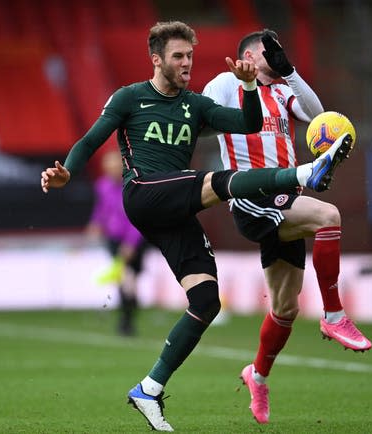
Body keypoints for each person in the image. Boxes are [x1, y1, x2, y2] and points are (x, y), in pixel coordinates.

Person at [40, 21, 352, 432]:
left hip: (175, 208)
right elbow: (89, 141)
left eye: (189, 55)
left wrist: (248, 89)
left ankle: (149, 389)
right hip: (144, 192)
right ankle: (305, 173)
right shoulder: (130, 97)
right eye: (177, 57)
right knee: (219, 179)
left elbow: (249, 124)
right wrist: (68, 171)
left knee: (206, 301)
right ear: (156, 60)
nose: (187, 63)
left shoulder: (195, 105)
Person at [202, 30, 372, 425]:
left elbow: (319, 117)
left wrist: (289, 71)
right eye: (268, 51)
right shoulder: (227, 84)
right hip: (252, 194)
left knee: (285, 308)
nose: (275, 56)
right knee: (328, 216)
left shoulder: (281, 91)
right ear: (247, 54)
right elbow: (203, 117)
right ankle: (333, 316)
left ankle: (257, 376)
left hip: (284, 198)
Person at [86, 149, 147, 336]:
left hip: (135, 239)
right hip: (113, 239)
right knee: (124, 278)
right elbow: (102, 208)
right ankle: (126, 321)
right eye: (108, 166)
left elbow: (137, 217)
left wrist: (131, 243)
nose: (111, 170)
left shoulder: (132, 185)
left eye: (114, 166)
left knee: (130, 280)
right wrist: (96, 223)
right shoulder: (102, 186)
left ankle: (129, 312)